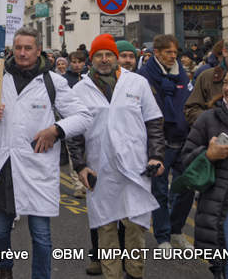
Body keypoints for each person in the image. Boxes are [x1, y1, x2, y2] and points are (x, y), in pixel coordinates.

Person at [0, 26, 91, 279]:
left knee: (41, 235)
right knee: (0, 231)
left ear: (38, 50)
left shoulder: (53, 81)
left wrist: (56, 130)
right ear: (12, 49)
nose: (23, 53)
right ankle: (5, 269)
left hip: (37, 165)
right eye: (18, 48)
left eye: (28, 48)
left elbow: (83, 116)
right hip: (5, 163)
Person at [67, 34, 165, 279]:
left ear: (116, 57)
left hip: (136, 167)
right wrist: (80, 165)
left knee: (135, 227)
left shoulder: (137, 83)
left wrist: (156, 156)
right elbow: (74, 132)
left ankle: (135, 273)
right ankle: (112, 275)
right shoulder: (80, 90)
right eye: (98, 55)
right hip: (100, 169)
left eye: (108, 54)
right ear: (92, 59)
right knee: (106, 228)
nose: (104, 59)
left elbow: (154, 122)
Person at [178, 64, 228, 278]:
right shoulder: (209, 119)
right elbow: (185, 160)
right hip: (226, 206)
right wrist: (209, 155)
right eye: (226, 82)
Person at [136, 34, 194, 251]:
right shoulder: (144, 77)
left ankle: (177, 231)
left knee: (186, 186)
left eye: (175, 52)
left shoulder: (183, 76)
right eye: (168, 52)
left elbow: (188, 104)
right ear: (157, 53)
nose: (173, 56)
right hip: (159, 143)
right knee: (159, 191)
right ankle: (163, 238)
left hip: (183, 139)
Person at [185, 35, 228, 126]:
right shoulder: (207, 77)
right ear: (225, 52)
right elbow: (191, 109)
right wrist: (213, 121)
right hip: (215, 137)